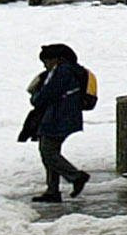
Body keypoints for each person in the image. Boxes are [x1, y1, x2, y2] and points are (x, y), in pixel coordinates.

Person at [21, 43, 93, 202]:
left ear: (57, 59)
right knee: (49, 151)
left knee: (48, 152)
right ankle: (52, 191)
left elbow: (46, 95)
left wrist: (35, 96)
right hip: (64, 116)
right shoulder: (71, 70)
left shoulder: (62, 71)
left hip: (57, 117)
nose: (45, 65)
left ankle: (75, 177)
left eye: (46, 61)